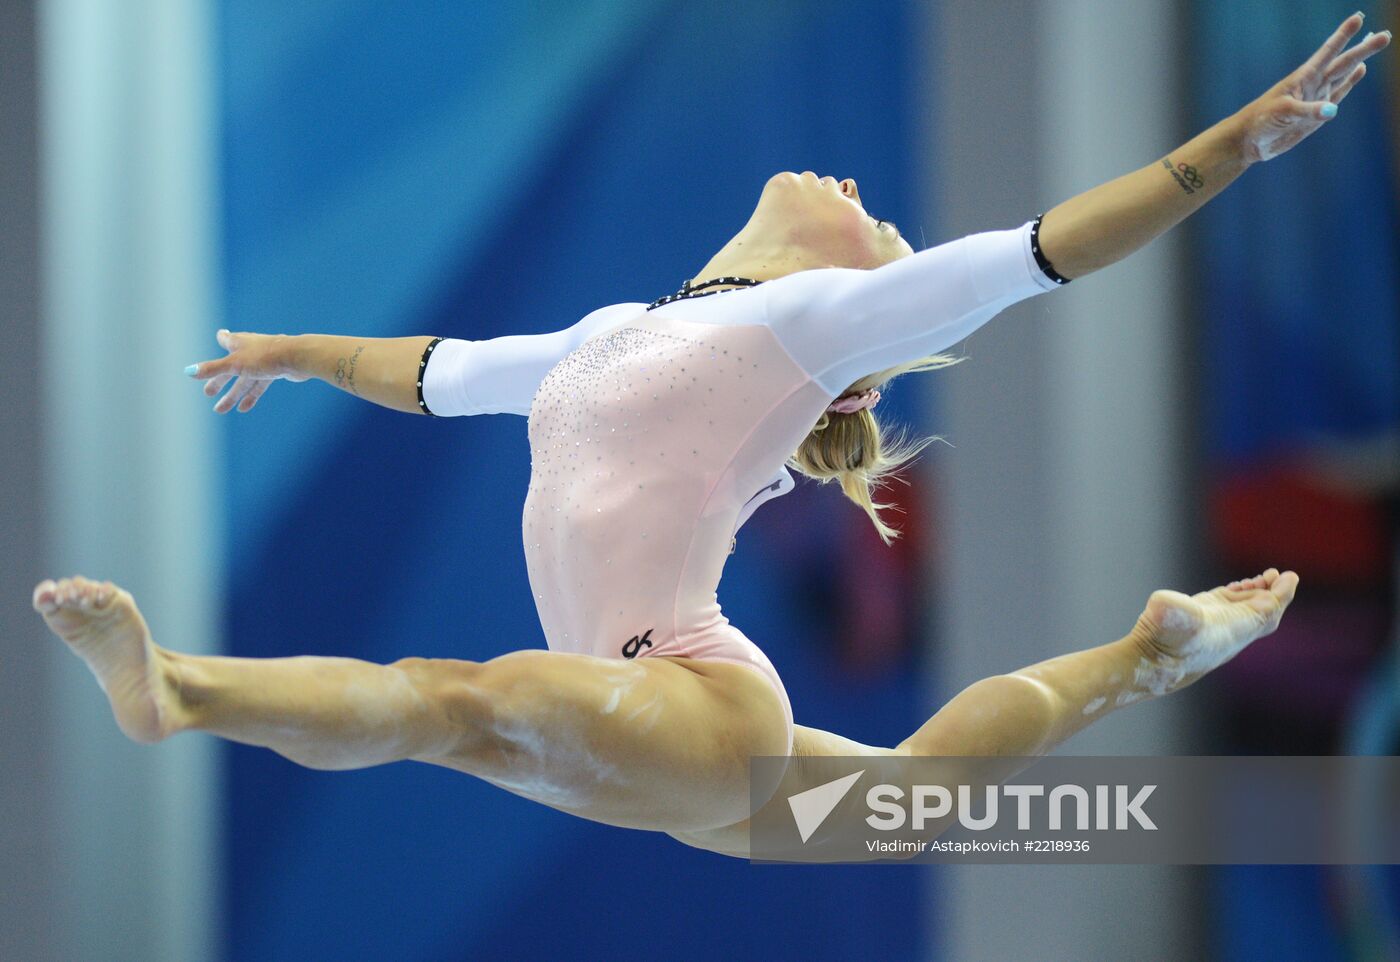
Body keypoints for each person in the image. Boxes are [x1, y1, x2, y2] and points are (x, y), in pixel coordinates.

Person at [33, 15, 1386, 856]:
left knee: (454, 701)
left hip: (673, 691)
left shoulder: (817, 319)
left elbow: (1047, 250)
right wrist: (296, 355)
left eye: (881, 222)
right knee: (909, 802)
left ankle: (178, 689)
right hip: (644, 723)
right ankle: (1151, 655)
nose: (858, 192)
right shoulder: (603, 333)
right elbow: (432, 372)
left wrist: (1235, 146)